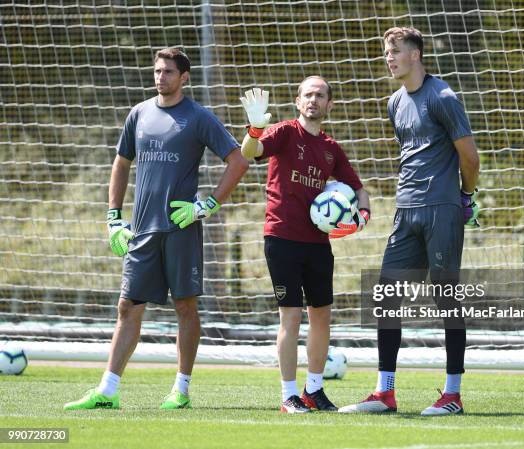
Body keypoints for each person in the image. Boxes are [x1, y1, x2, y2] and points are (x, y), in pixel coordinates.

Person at [64, 48, 248, 410]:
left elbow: (238, 160)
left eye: (168, 72)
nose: (160, 77)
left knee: (185, 307)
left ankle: (180, 390)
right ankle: (108, 391)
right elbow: (121, 163)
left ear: (184, 78)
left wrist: (207, 204)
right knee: (127, 306)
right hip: (142, 230)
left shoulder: (198, 117)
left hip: (180, 230)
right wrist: (114, 218)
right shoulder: (140, 113)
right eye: (157, 70)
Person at [338, 27, 480, 416]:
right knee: (386, 298)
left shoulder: (443, 97)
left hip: (442, 209)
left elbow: (470, 157)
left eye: (395, 51)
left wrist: (465, 197)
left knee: (446, 298)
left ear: (415, 54)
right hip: (406, 211)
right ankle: (385, 392)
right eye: (387, 51)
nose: (389, 57)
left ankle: (452, 395)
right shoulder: (394, 102)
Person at [240, 78, 370, 413]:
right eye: (308, 95)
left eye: (320, 95)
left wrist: (363, 215)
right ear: (298, 102)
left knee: (322, 316)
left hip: (317, 244)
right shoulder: (284, 132)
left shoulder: (331, 148)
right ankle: (288, 395)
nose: (313, 99)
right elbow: (249, 152)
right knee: (291, 317)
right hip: (282, 238)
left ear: (330, 105)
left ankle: (314, 390)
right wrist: (255, 129)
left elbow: (358, 189)